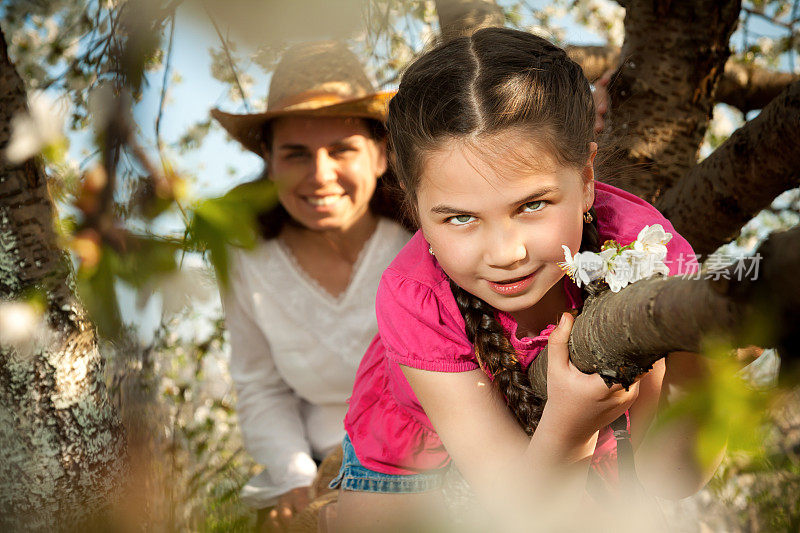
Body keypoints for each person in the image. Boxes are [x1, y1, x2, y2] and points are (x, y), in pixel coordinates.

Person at [328, 28, 721, 531]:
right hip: (412, 443)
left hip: (566, 446)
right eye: (460, 219)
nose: (506, 253)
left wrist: (695, 367)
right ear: (416, 209)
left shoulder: (644, 254)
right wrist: (568, 426)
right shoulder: (413, 298)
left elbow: (674, 477)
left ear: (585, 181)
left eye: (532, 205)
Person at [210, 42, 412, 531]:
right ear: (270, 162)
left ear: (381, 155)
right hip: (320, 467)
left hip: (431, 466)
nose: (320, 175)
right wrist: (295, 477)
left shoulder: (423, 244)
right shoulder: (247, 262)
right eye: (296, 154)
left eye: (341, 150)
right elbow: (261, 385)